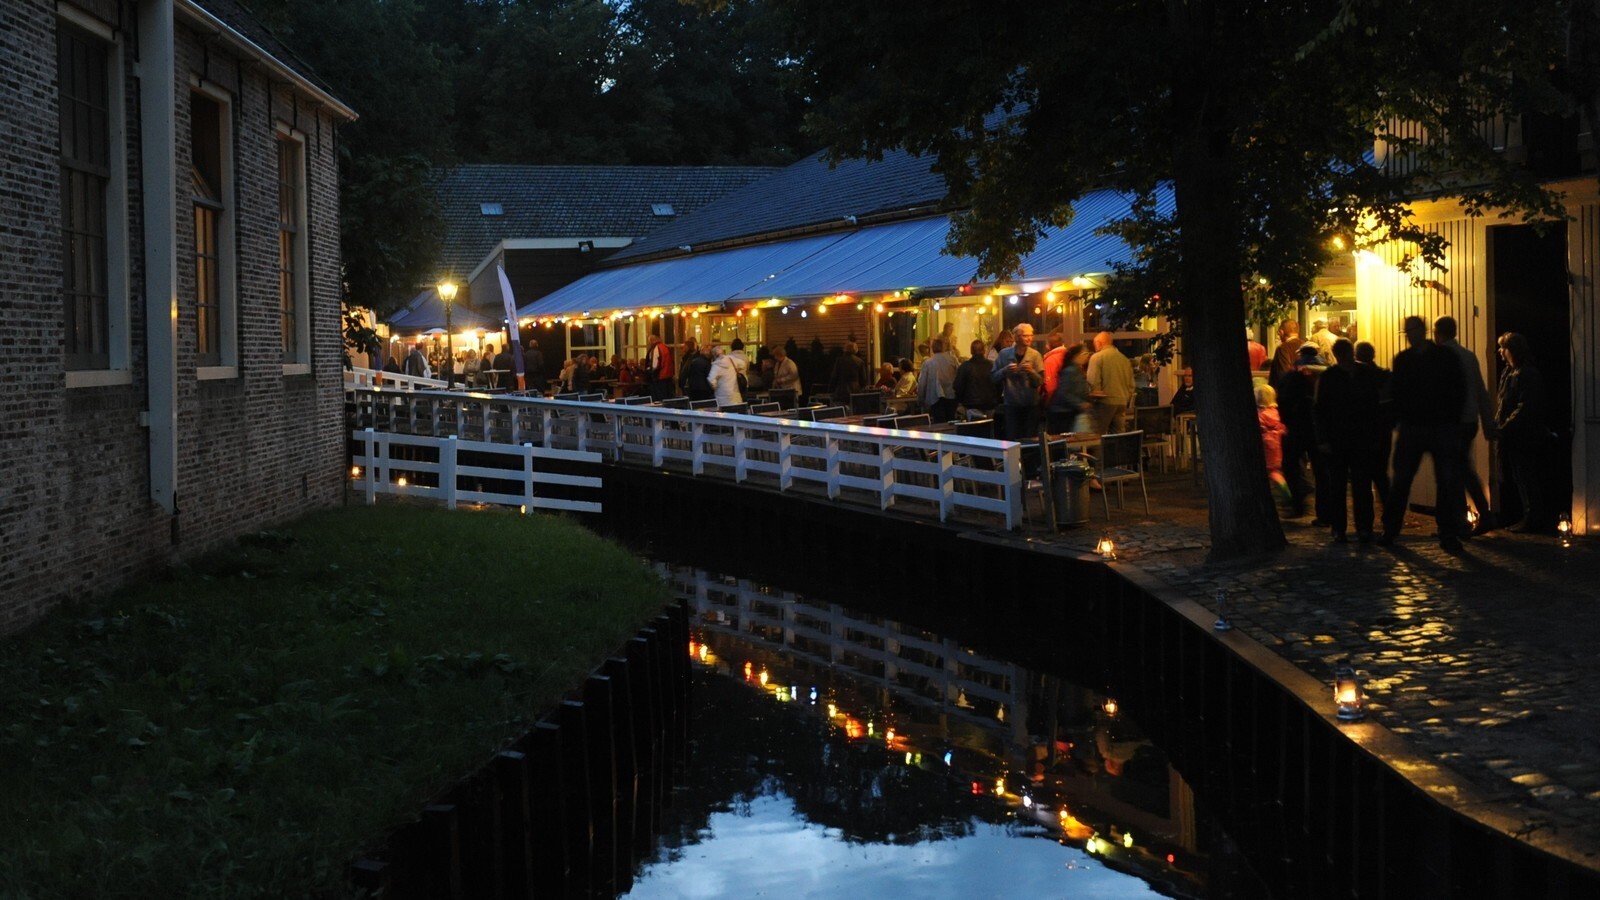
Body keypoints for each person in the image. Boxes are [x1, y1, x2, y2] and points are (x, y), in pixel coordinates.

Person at [1379, 316, 1465, 551]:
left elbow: (1457, 390)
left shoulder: (1408, 360)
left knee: (1409, 479)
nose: (1409, 335)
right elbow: (1458, 389)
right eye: (1407, 331)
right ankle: (1445, 532)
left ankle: (1396, 529)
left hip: (1426, 425)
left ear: (1421, 331)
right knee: (1431, 480)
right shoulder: (1442, 357)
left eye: (1410, 331)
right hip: (1429, 425)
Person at [1314, 339, 1382, 542]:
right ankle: (1361, 527)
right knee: (1357, 485)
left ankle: (1341, 528)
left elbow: (1319, 410)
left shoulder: (1329, 377)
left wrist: (1323, 438)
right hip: (1354, 437)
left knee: (1341, 486)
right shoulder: (1363, 374)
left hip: (1342, 437)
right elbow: (1374, 406)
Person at [1433, 316, 1497, 533]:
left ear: (1437, 332)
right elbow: (1480, 390)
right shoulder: (1469, 356)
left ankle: (1466, 518)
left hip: (1452, 421)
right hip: (1469, 420)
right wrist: (1488, 423)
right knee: (1461, 469)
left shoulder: (1442, 357)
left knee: (1455, 472)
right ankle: (1473, 517)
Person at [1494, 332, 1554, 533]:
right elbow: (1503, 403)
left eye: (1504, 348)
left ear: (1513, 350)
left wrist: (1506, 426)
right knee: (1519, 476)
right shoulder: (1509, 373)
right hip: (1512, 434)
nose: (1500, 352)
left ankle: (1533, 517)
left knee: (1525, 475)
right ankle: (1527, 516)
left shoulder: (1527, 374)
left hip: (1524, 434)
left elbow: (1526, 406)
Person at [1272, 343, 1324, 519]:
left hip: (1297, 426)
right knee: (1322, 470)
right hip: (1320, 428)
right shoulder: (1327, 373)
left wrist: (1286, 421)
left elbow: (1283, 400)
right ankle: (1325, 513)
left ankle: (1298, 504)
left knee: (1291, 465)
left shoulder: (1292, 374)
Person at [1353, 341, 1393, 502]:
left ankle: (1365, 522)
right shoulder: (1385, 376)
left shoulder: (1356, 378)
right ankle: (1390, 515)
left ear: (1356, 356)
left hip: (1362, 433)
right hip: (1383, 432)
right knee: (1381, 474)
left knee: (1362, 478)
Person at [990, 323, 1044, 440]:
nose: (1029, 338)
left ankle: (1028, 458)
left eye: (1031, 335)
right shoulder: (1004, 354)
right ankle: (1014, 459)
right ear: (1017, 337)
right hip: (1011, 404)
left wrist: (1031, 372)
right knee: (1013, 438)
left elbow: (1040, 381)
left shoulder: (1035, 355)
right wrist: (1005, 371)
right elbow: (993, 376)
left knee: (1030, 438)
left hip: (1031, 405)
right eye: (1025, 335)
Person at [1085, 331, 1134, 435]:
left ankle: (1099, 452)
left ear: (1099, 343)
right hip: (1122, 402)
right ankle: (1117, 452)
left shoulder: (1097, 357)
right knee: (1118, 435)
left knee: (1097, 436)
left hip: (1105, 402)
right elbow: (1131, 384)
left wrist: (1093, 396)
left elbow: (1092, 381)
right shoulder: (1124, 359)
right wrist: (1126, 397)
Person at [1256, 383, 1292, 509]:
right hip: (1277, 441)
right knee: (1275, 469)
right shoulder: (1275, 412)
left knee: (1269, 471)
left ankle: (1284, 491)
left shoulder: (1260, 414)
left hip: (1266, 443)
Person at [1046, 344, 1093, 434]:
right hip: (1063, 412)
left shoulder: (1077, 369)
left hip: (1067, 411)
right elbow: (1064, 393)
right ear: (1076, 355)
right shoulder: (1071, 371)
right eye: (1085, 353)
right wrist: (1080, 403)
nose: (1087, 356)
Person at [954, 339, 1001, 421]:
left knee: (974, 430)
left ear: (971, 351)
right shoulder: (992, 365)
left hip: (971, 405)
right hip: (990, 404)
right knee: (989, 429)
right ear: (984, 350)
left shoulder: (965, 367)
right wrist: (996, 399)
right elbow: (999, 384)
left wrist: (961, 401)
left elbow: (958, 386)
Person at [917, 338, 960, 422]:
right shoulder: (952, 359)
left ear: (932, 348)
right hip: (951, 395)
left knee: (939, 422)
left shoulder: (928, 363)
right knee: (951, 421)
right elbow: (959, 375)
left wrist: (921, 399)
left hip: (934, 397)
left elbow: (922, 383)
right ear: (943, 347)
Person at [829, 341, 871, 405]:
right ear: (855, 350)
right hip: (855, 390)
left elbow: (834, 376)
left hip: (841, 390)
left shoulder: (839, 360)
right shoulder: (860, 361)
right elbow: (863, 379)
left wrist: (831, 389)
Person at [644, 333, 675, 401]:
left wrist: (650, 372)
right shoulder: (665, 347)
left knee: (659, 399)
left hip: (659, 377)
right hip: (668, 376)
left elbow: (655, 365)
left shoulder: (656, 348)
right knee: (668, 399)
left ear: (652, 340)